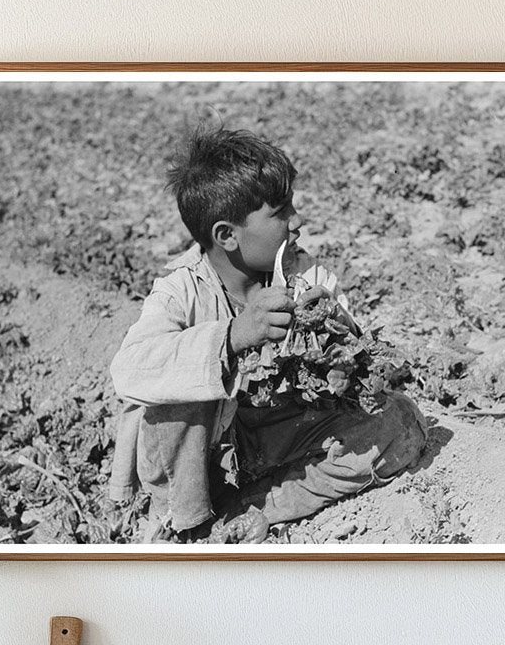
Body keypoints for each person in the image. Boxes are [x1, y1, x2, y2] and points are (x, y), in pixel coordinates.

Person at [108, 125, 427, 543]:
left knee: (398, 421)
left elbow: (352, 366)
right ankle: (184, 525)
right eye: (280, 212)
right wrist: (233, 336)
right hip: (198, 462)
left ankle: (256, 508)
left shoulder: (304, 273)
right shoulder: (180, 290)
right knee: (176, 395)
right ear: (227, 235)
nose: (299, 221)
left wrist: (335, 329)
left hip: (271, 439)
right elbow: (128, 370)